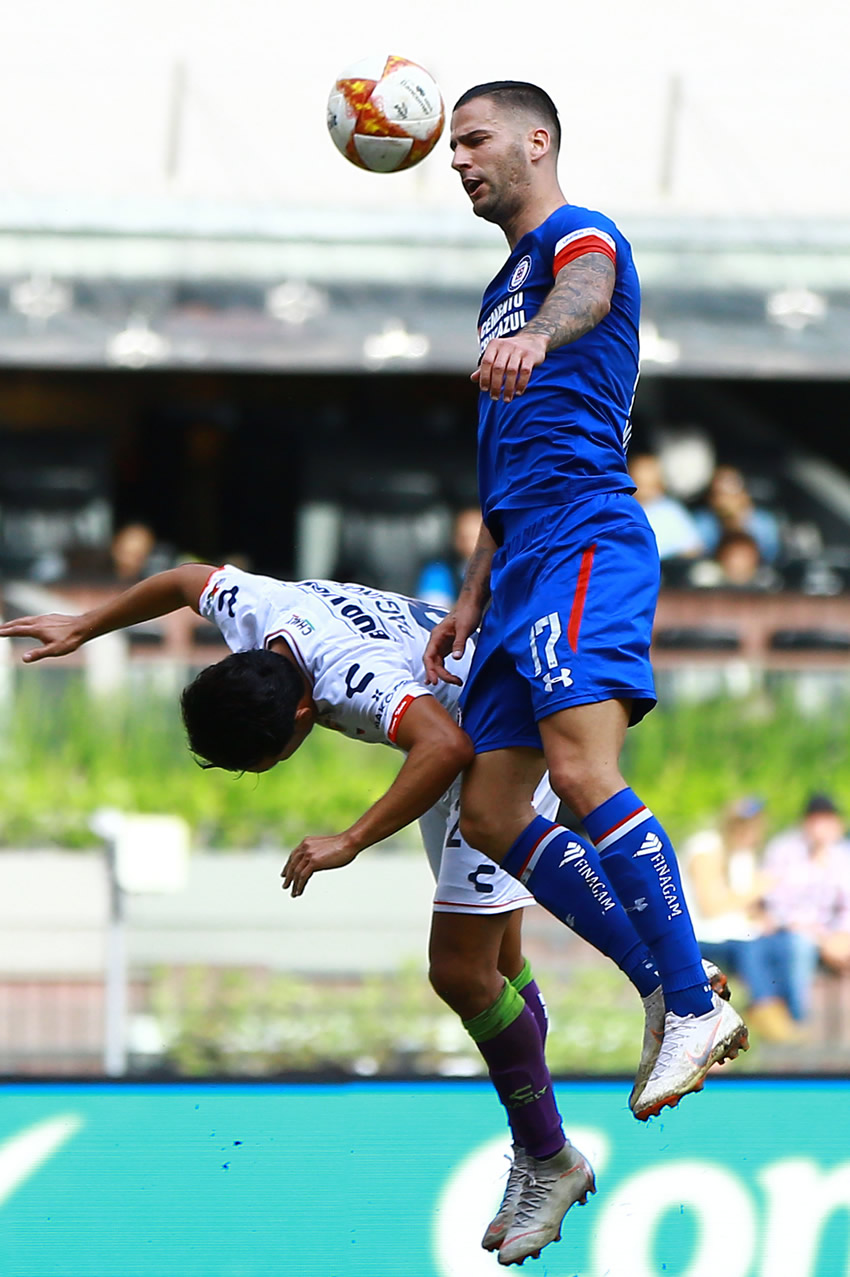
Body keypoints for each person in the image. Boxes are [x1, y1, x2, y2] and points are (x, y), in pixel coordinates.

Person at [1, 563, 729, 1263]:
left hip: (486, 739)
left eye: (265, 758)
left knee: (458, 970)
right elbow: (187, 579)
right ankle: (584, 1087)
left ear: (303, 713)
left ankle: (555, 1146)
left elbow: (443, 747)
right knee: (496, 962)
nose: (264, 770)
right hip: (459, 719)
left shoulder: (351, 678)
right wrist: (87, 625)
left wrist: (350, 839)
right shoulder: (256, 611)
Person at [424, 78, 748, 1260]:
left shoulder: (578, 241)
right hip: (516, 566)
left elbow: (589, 291)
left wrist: (540, 332)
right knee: (495, 808)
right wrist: (465, 600)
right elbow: (497, 466)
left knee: (577, 766)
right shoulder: (494, 289)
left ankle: (696, 1000)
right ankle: (663, 980)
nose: (455, 158)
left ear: (535, 140)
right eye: (450, 143)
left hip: (585, 537)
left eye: (472, 139)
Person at [684, 798, 800, 1042]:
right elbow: (710, 907)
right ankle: (765, 1011)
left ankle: (788, 1014)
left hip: (738, 936)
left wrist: (766, 917)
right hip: (704, 938)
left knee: (792, 945)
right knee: (751, 949)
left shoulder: (743, 857)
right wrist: (755, 890)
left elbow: (745, 910)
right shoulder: (706, 849)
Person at [758, 793, 850, 1023]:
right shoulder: (783, 851)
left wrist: (842, 935)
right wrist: (822, 938)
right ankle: (800, 1024)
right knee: (799, 947)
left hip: (834, 935)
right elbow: (776, 906)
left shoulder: (842, 854)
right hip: (790, 932)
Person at [693, 464, 781, 564]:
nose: (724, 499)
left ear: (744, 492)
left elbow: (772, 557)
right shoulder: (702, 521)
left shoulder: (764, 522)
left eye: (731, 489)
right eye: (718, 492)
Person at [629, 452, 704, 561]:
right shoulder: (623, 509)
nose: (645, 490)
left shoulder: (671, 511)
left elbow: (693, 549)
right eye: (640, 483)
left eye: (650, 484)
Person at [417, 505, 482, 609]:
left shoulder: (503, 570)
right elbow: (433, 612)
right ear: (456, 539)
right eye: (465, 537)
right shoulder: (438, 571)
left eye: (475, 537)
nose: (470, 544)